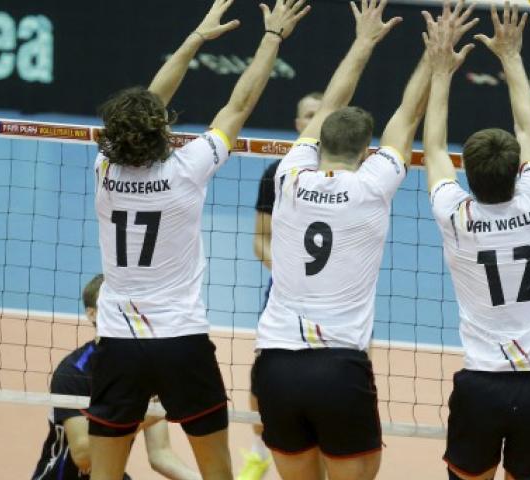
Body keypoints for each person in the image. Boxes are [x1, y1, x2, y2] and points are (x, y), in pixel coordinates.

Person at [250, 1, 477, 479]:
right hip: (339, 367)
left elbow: (330, 104)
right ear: (366, 150)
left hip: (274, 363)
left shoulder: (289, 175)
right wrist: (435, 57)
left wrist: (362, 42)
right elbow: (407, 117)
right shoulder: (373, 184)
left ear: (317, 140)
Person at [86, 0, 310, 478]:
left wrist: (193, 39)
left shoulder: (105, 167)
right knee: (217, 471)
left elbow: (147, 105)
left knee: (103, 474)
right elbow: (239, 105)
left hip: (119, 342)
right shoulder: (187, 168)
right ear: (162, 128)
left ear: (115, 133)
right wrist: (272, 37)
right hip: (181, 342)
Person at [423, 3, 530, 479]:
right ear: (517, 171)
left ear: (468, 173)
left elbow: (434, 148)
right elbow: (529, 128)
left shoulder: (456, 215)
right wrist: (511, 55)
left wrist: (440, 70)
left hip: (481, 385)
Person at [32, 275, 200, 480]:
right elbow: (84, 457)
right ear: (92, 314)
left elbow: (161, 454)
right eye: (112, 306)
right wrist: (145, 415)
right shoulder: (74, 372)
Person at [241, 90, 323, 480]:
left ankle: (319, 454)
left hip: (334, 300)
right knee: (263, 380)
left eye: (321, 114)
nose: (313, 121)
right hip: (283, 295)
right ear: (297, 124)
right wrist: (290, 272)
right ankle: (259, 454)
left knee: (329, 379)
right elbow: (260, 238)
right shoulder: (276, 173)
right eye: (307, 115)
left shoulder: (351, 176)